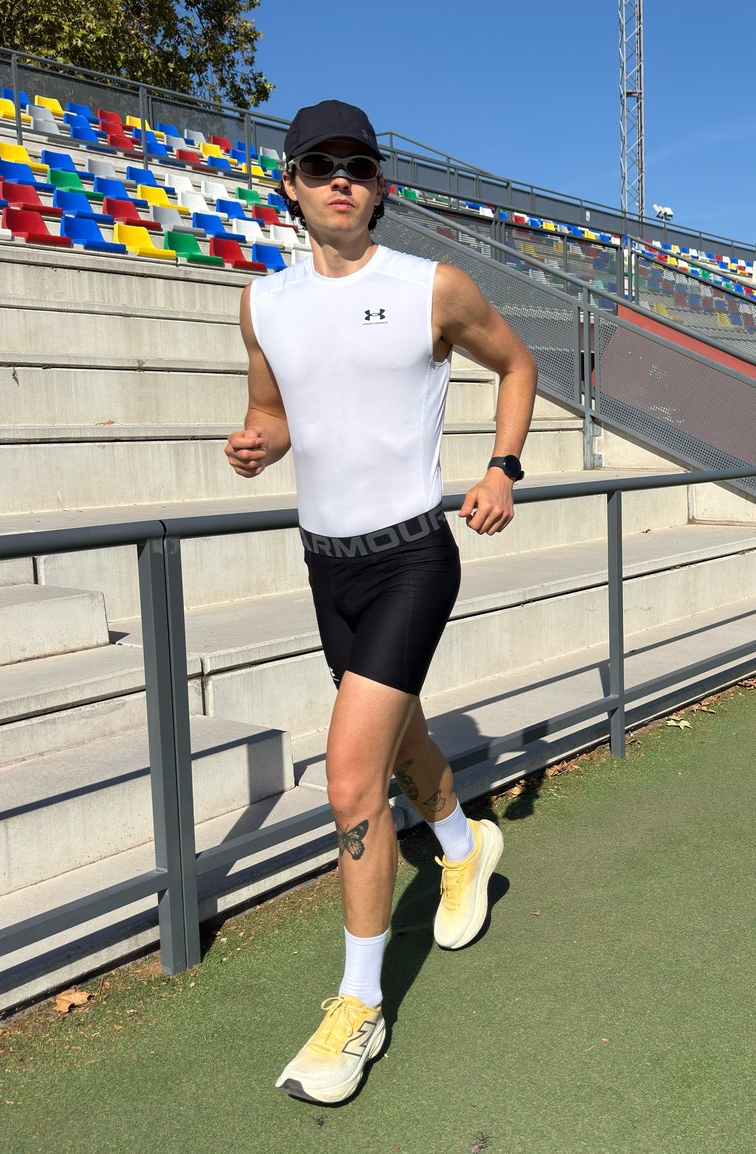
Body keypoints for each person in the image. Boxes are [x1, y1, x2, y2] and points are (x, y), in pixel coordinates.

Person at [225, 99, 537, 1105]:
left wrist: (500, 468)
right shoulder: (261, 303)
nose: (339, 180)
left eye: (356, 165)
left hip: (411, 556)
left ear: (381, 185)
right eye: (319, 165)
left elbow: (517, 361)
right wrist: (255, 444)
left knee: (352, 779)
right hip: (326, 562)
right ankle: (460, 841)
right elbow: (271, 413)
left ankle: (355, 1005)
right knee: (396, 738)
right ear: (291, 183)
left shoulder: (430, 287)